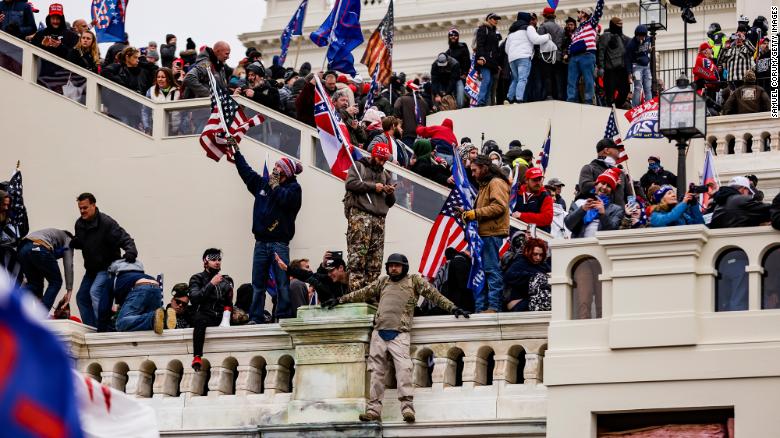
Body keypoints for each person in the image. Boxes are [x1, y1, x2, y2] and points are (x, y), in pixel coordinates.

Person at [322, 253, 470, 423]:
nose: (393, 268)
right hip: (379, 333)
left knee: (404, 371)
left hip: (400, 333)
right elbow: (361, 293)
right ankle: (373, 411)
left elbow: (434, 295)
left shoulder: (414, 281)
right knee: (376, 374)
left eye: (397, 265)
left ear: (404, 267)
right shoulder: (383, 282)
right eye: (391, 265)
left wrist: (453, 308)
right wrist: (340, 300)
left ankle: (407, 409)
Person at [233, 147, 303, 323]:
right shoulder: (263, 184)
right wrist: (236, 153)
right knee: (258, 285)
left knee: (282, 284)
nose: (274, 170)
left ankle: (283, 316)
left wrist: (275, 186)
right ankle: (255, 317)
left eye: (278, 168)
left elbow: (286, 200)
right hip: (260, 242)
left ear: (286, 172)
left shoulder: (294, 189)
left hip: (280, 243)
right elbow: (247, 173)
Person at [70, 193, 137, 331]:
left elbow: (125, 238)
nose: (82, 211)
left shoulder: (106, 223)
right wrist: (76, 242)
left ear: (94, 205)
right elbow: (83, 240)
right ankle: (92, 328)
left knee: (95, 292)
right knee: (81, 297)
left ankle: (105, 327)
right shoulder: (79, 224)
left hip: (107, 266)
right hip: (91, 269)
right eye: (80, 208)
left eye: (85, 208)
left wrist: (131, 251)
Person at [460, 155, 510, 313]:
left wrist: (474, 213)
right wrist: (466, 213)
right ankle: (481, 308)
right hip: (483, 234)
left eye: (474, 170)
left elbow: (499, 207)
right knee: (480, 271)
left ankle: (494, 307)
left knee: (491, 270)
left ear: (484, 168)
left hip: (491, 234)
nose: (473, 174)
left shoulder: (496, 183)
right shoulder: (485, 185)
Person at [344, 143, 396, 291]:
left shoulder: (386, 175)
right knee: (357, 257)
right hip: (361, 216)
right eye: (380, 159)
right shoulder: (359, 167)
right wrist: (374, 187)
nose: (382, 163)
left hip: (379, 220)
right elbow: (350, 184)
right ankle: (355, 292)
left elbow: (391, 202)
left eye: (384, 160)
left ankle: (370, 294)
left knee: (375, 262)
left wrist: (390, 191)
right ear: (373, 155)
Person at [189, 248, 234, 371]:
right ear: (205, 261)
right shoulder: (196, 278)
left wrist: (226, 319)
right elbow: (195, 298)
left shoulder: (226, 281)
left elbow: (228, 302)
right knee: (199, 319)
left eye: (219, 259)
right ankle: (197, 356)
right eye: (213, 259)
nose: (217, 262)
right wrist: (211, 284)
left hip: (221, 316)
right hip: (204, 316)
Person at [17, 228, 73, 312]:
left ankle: (9, 305)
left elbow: (42, 264)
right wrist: (69, 290)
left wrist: (40, 299)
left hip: (23, 249)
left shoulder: (51, 235)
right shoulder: (68, 239)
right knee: (56, 281)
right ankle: (41, 315)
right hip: (39, 246)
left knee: (34, 284)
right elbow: (69, 264)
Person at [112, 260, 175, 334]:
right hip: (156, 286)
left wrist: (101, 329)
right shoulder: (140, 274)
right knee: (154, 325)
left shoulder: (116, 278)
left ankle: (153, 318)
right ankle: (165, 318)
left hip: (141, 287)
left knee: (121, 323)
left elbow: (105, 306)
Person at [505, 12, 551, 104]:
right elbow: (536, 40)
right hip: (524, 56)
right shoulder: (528, 28)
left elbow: (506, 49)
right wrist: (547, 36)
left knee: (515, 79)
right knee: (522, 79)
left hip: (512, 59)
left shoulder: (511, 32)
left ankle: (509, 98)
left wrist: (513, 54)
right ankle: (519, 99)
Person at [565, 168, 624, 237]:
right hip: (580, 246)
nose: (604, 187)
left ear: (611, 191)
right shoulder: (580, 203)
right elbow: (568, 224)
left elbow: (613, 232)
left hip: (601, 247)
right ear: (596, 185)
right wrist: (582, 209)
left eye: (609, 186)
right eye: (603, 183)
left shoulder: (616, 210)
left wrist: (603, 214)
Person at [566, 0, 604, 104]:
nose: (577, 15)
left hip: (587, 55)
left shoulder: (591, 23)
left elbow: (598, 12)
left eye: (579, 12)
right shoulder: (577, 30)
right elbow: (573, 41)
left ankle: (588, 101)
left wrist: (600, 1)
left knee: (588, 80)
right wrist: (568, 52)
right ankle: (571, 100)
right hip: (574, 57)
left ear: (584, 14)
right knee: (571, 81)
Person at [578, 138, 630, 208]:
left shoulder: (620, 173)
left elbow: (629, 197)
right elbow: (584, 187)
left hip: (619, 217)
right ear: (607, 150)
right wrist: (606, 181)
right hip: (598, 216)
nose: (619, 152)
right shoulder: (589, 168)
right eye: (616, 149)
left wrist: (635, 184)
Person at [280, 253, 350, 303]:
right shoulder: (328, 280)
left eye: (331, 271)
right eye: (328, 271)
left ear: (341, 268)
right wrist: (288, 269)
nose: (329, 274)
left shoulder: (356, 279)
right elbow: (310, 276)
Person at [503, 237, 550, 312]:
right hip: (518, 304)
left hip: (533, 301)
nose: (538, 258)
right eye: (535, 254)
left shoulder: (544, 265)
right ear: (528, 251)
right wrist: (533, 276)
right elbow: (508, 276)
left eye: (541, 255)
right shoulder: (520, 261)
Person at [597, 17, 630, 108]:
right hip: (610, 70)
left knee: (625, 90)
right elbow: (601, 52)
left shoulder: (623, 37)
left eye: (621, 25)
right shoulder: (605, 36)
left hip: (622, 69)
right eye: (618, 25)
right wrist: (602, 67)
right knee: (610, 93)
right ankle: (611, 108)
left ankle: (617, 106)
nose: (621, 26)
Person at [512, 167, 554, 232]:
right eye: (534, 180)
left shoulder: (545, 196)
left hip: (538, 237)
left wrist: (521, 216)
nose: (538, 183)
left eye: (539, 179)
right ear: (526, 180)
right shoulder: (516, 193)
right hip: (515, 234)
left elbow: (547, 218)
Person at [537, 7, 566, 101]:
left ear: (545, 16)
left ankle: (549, 95)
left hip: (546, 56)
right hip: (558, 56)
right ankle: (560, 96)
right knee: (558, 77)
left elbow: (538, 41)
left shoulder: (543, 27)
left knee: (547, 76)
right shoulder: (561, 29)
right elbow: (562, 43)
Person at [475, 13, 503, 106]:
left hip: (492, 62)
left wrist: (498, 63)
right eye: (494, 19)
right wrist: (480, 57)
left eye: (497, 19)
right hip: (484, 60)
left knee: (490, 82)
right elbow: (480, 44)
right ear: (489, 19)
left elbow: (496, 50)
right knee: (486, 80)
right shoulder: (483, 29)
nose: (496, 21)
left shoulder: (494, 31)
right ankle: (480, 101)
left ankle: (485, 103)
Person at [143, 67, 180, 134]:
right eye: (158, 77)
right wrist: (147, 127)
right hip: (156, 130)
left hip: (174, 131)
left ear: (169, 78)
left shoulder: (178, 91)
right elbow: (145, 111)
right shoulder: (151, 91)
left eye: (163, 77)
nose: (160, 79)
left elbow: (184, 113)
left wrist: (182, 129)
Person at [394, 81, 428, 149]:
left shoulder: (401, 99)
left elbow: (396, 111)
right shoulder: (424, 102)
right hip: (421, 135)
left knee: (407, 156)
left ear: (407, 89)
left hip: (406, 134)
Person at [625, 25, 652, 107]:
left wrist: (650, 49)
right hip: (636, 67)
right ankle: (635, 107)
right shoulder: (631, 44)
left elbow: (651, 40)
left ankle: (649, 106)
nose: (642, 38)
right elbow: (628, 59)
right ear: (636, 35)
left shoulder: (647, 39)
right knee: (637, 87)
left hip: (646, 66)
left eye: (643, 36)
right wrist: (629, 73)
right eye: (640, 36)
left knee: (648, 87)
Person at [445, 28, 470, 108]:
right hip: (451, 78)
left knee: (461, 96)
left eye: (455, 35)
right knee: (453, 96)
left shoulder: (463, 47)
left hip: (461, 77)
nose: (453, 37)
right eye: (451, 35)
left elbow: (467, 61)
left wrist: (465, 73)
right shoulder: (447, 53)